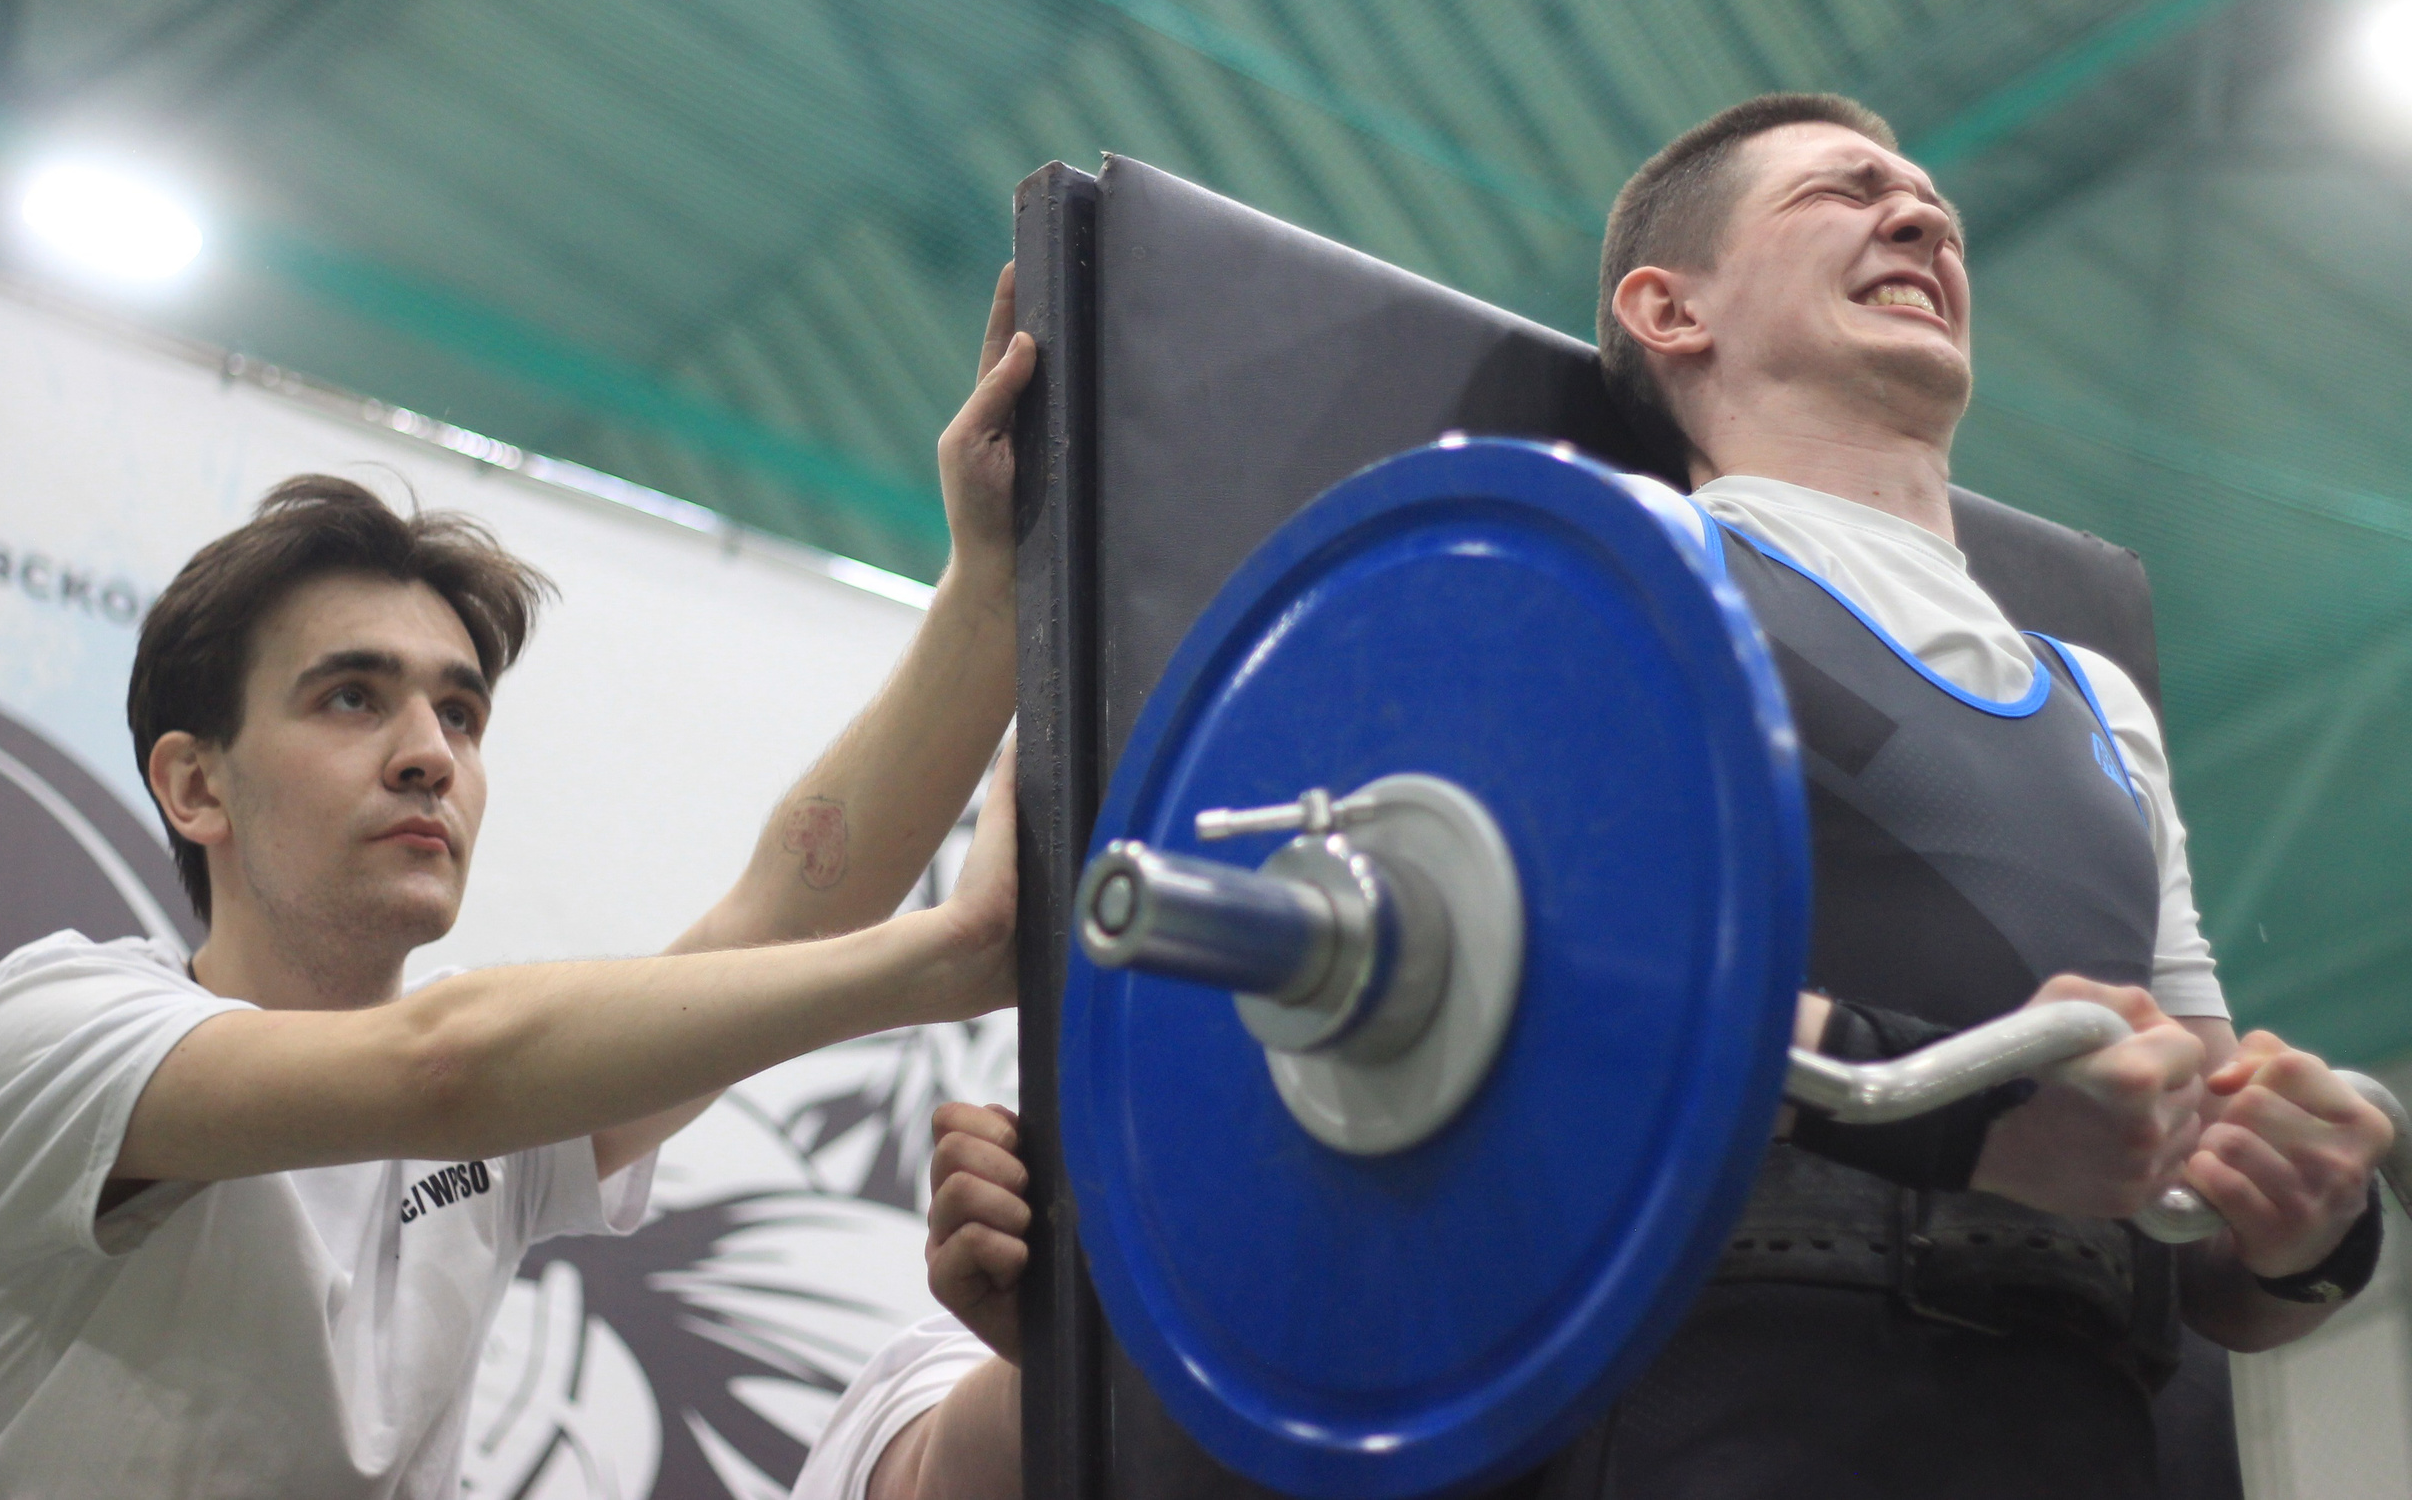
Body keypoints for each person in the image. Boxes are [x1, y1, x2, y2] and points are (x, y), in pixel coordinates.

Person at [792, 98, 2401, 1500]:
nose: (1921, 209)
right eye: (1842, 191)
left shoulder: (2098, 701)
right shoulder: (1591, 577)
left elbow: (2203, 1199)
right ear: (1669, 306)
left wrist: (2304, 1220)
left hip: (2078, 1439)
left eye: (1931, 201)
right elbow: (1497, 1002)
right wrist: (1947, 1099)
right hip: (1735, 1413)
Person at [0, 273, 1040, 1500]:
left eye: (460, 711)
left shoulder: (488, 1123)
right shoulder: (56, 1029)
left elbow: (784, 915)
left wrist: (992, 581)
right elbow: (441, 1069)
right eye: (351, 696)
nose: (432, 752)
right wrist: (948, 954)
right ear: (194, 788)